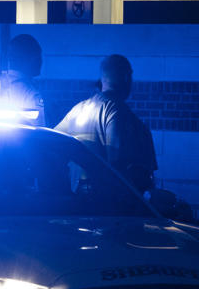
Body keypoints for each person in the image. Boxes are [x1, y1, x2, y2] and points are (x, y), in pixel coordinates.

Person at [55, 54, 157, 194]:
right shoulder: (118, 112)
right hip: (109, 206)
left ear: (102, 78)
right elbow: (118, 165)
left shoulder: (76, 111)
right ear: (127, 77)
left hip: (76, 200)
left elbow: (52, 146)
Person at [0, 34, 46, 125]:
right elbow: (40, 134)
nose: (41, 61)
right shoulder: (30, 94)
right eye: (38, 56)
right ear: (28, 58)